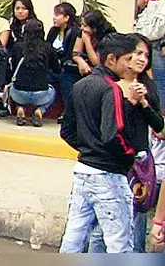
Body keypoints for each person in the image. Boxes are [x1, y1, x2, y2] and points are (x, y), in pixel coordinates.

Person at [59, 33, 152, 253]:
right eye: (127, 59)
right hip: (108, 173)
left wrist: (88, 149)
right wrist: (130, 156)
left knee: (75, 234)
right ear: (112, 59)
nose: (130, 65)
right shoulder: (111, 89)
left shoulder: (81, 85)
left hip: (83, 170)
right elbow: (114, 132)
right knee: (119, 239)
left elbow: (67, 131)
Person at [87, 33, 164, 253]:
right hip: (114, 161)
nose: (141, 59)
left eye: (146, 55)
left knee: (136, 219)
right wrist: (128, 102)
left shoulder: (148, 87)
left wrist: (143, 104)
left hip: (140, 162)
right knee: (104, 224)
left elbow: (159, 126)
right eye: (137, 53)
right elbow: (110, 127)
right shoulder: (108, 86)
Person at [9, 18, 58, 127]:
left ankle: (19, 107)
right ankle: (40, 110)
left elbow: (12, 68)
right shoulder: (47, 47)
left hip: (18, 93)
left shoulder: (18, 46)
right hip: (41, 94)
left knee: (14, 88)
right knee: (53, 91)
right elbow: (57, 69)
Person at [46, 2, 82, 122]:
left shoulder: (74, 33)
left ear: (66, 18)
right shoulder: (53, 31)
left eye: (57, 15)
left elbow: (70, 55)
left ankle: (68, 112)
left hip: (67, 68)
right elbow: (47, 49)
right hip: (52, 66)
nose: (54, 18)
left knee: (65, 78)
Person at [73, 10, 116, 78]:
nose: (82, 28)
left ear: (94, 28)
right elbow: (75, 53)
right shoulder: (83, 32)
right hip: (86, 68)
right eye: (82, 24)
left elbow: (96, 63)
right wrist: (80, 61)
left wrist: (87, 41)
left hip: (102, 72)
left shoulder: (108, 37)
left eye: (85, 26)